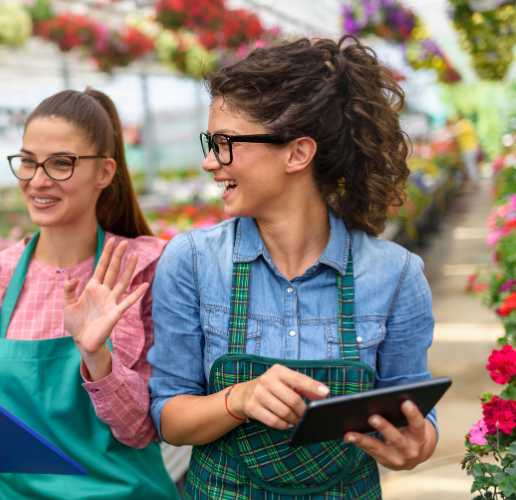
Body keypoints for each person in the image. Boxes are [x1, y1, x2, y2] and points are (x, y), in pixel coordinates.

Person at [148, 36, 438, 498]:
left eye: (224, 144)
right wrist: (239, 398)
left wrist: (418, 444)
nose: (208, 162)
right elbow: (169, 418)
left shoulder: (395, 275)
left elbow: (414, 407)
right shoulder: (192, 262)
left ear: (298, 153)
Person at [0, 88, 178, 499]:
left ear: (104, 172)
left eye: (61, 163)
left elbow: (141, 430)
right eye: (28, 162)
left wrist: (96, 357)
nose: (38, 180)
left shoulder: (142, 269)